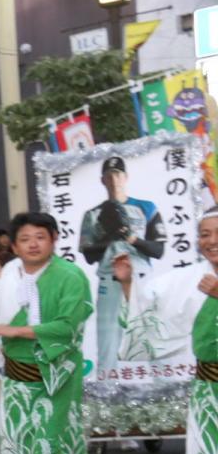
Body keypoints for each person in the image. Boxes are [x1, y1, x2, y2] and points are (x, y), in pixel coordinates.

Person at [115, 206, 218, 454]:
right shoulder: (187, 279)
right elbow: (150, 316)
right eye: (205, 234)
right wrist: (129, 283)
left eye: (217, 233)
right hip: (208, 387)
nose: (211, 241)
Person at [0, 212, 96, 454]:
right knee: (22, 451)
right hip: (17, 378)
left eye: (40, 236)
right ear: (14, 245)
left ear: (53, 239)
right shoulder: (8, 277)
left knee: (48, 447)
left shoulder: (69, 275)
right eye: (25, 238)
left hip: (55, 376)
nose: (33, 244)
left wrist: (18, 330)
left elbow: (69, 324)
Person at [79, 155, 167, 373]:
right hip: (110, 281)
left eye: (118, 174)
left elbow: (159, 250)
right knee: (108, 341)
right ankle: (107, 393)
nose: (114, 179)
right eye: (109, 175)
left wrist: (130, 237)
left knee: (151, 335)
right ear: (102, 180)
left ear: (125, 177)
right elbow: (89, 256)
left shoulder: (147, 207)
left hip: (140, 278)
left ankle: (164, 388)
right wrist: (109, 235)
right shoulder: (92, 214)